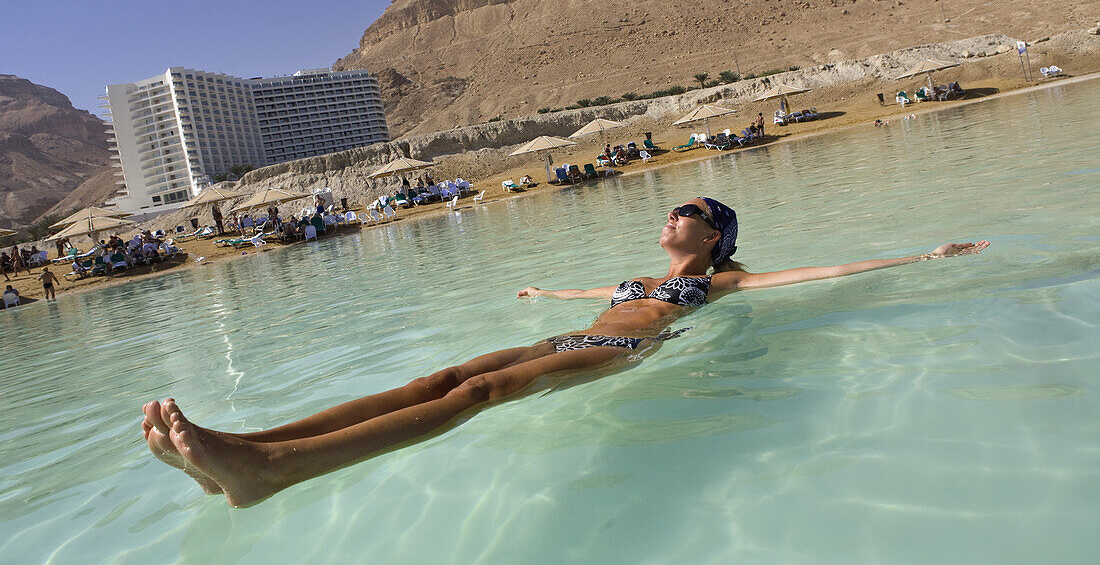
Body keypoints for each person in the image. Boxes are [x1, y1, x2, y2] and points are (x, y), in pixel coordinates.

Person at [141, 197, 989, 508]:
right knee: (437, 378)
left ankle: (278, 467)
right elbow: (588, 298)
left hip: (621, 356)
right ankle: (242, 451)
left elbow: (821, 271)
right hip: (569, 334)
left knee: (482, 395)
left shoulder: (723, 283)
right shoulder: (632, 275)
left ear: (717, 235)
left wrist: (921, 257)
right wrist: (544, 295)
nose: (672, 213)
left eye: (689, 210)